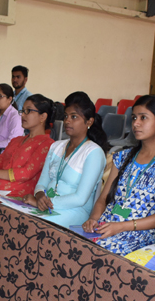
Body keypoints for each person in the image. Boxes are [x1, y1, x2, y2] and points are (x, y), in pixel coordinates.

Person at [83, 96, 155, 255]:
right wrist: (93, 219)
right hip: (106, 226)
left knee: (95, 254)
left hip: (136, 235)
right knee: (73, 245)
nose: (136, 123)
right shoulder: (122, 157)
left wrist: (122, 226)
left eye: (143, 118)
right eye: (134, 118)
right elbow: (103, 198)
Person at [23, 91, 108, 228]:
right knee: (18, 218)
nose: (67, 121)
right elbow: (41, 183)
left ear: (89, 121)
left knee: (35, 226)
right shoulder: (56, 146)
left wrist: (46, 202)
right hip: (47, 206)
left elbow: (80, 199)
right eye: (66, 116)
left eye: (74, 117)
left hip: (76, 211)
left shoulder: (94, 152)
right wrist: (39, 197)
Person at [0, 94, 54, 197]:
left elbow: (26, 173)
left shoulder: (47, 144)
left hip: (17, 197)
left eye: (28, 111)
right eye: (22, 111)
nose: (22, 115)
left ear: (43, 116)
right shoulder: (16, 140)